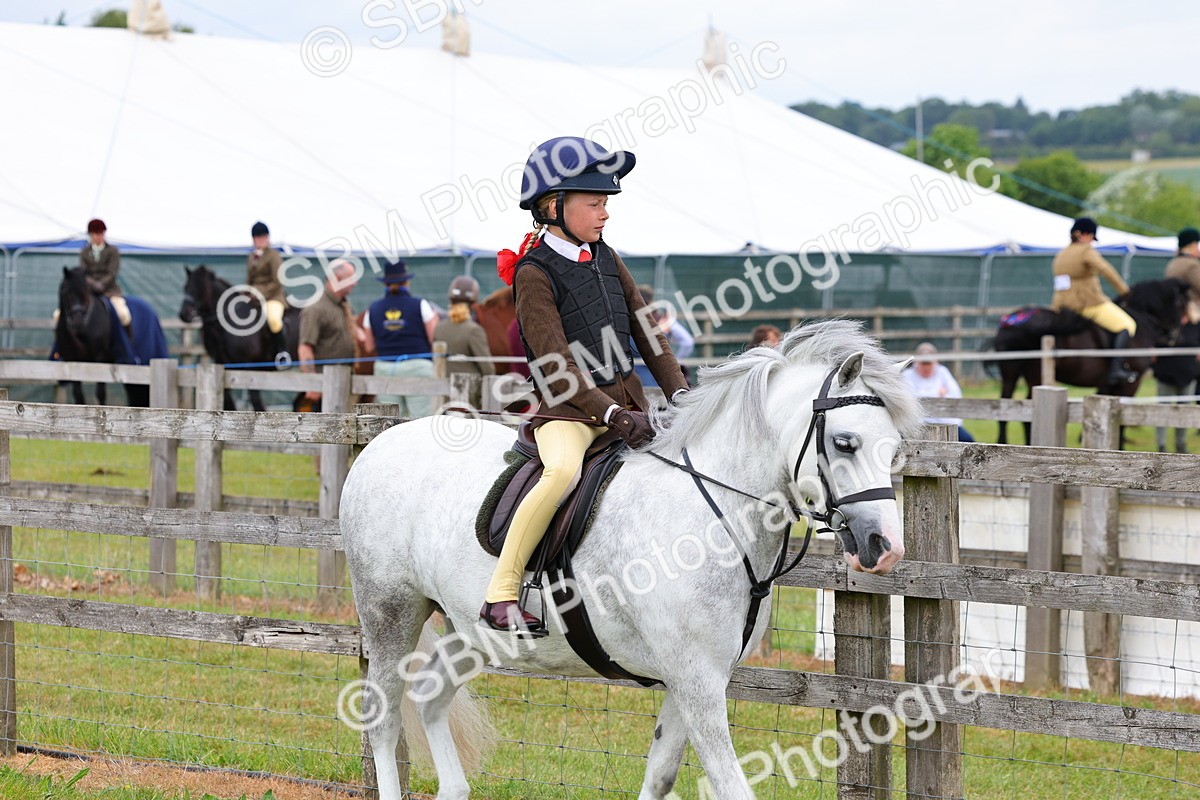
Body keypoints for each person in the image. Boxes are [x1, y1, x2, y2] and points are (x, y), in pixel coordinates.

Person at [480, 136, 690, 635]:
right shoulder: (533, 273)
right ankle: (501, 593)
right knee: (561, 475)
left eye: (605, 203)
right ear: (554, 206)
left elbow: (648, 332)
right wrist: (611, 414)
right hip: (568, 413)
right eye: (594, 203)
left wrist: (681, 394)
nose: (605, 213)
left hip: (629, 407)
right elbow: (557, 366)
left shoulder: (606, 255)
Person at [1050, 217, 1137, 385]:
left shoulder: (1060, 254)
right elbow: (1107, 270)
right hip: (1088, 304)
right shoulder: (1086, 251)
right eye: (1091, 237)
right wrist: (1124, 292)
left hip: (1062, 305)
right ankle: (1116, 369)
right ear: (1081, 234)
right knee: (1127, 325)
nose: (1091, 242)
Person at [361, 260, 439, 417]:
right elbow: (434, 339)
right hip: (417, 366)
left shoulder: (372, 309)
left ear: (385, 283)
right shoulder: (421, 305)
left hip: (385, 368)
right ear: (406, 281)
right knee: (421, 419)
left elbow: (369, 346)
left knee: (389, 420)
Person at [298, 261, 362, 410]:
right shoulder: (315, 310)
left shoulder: (345, 306)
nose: (355, 284)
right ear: (338, 279)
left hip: (344, 382)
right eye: (351, 279)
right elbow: (305, 348)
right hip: (323, 388)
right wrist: (313, 384)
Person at [433, 275, 495, 409]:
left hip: (445, 393)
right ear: (473, 304)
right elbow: (487, 368)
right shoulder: (474, 330)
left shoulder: (439, 328)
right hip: (470, 395)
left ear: (450, 300)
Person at [903, 342, 974, 443]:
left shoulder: (943, 372)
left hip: (946, 422)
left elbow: (955, 395)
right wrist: (938, 393)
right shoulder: (907, 375)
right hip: (918, 425)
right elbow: (908, 398)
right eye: (923, 363)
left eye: (929, 363)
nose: (926, 367)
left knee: (968, 440)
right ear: (917, 362)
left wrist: (926, 395)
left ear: (935, 362)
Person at [632, 284, 694, 389]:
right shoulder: (663, 320)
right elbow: (687, 342)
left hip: (635, 377)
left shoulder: (628, 321)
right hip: (661, 374)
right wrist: (674, 361)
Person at [1152, 321, 1199, 453]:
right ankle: (1161, 445)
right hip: (1166, 376)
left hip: (1188, 376)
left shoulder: (1195, 326)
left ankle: (1181, 444)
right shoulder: (1164, 325)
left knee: (1184, 412)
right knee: (1162, 410)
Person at [247, 221, 288, 361]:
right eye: (258, 238)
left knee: (274, 320)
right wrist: (246, 292)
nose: (261, 240)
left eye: (263, 237)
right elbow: (249, 279)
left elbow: (278, 281)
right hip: (253, 296)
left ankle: (282, 352)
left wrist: (260, 294)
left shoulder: (273, 255)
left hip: (273, 297)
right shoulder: (251, 257)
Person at [79, 218, 131, 329]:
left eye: (101, 233)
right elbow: (83, 272)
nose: (99, 236)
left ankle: (128, 338)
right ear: (91, 235)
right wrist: (93, 284)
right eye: (96, 234)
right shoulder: (84, 252)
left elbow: (112, 273)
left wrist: (101, 284)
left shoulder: (113, 251)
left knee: (123, 314)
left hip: (110, 291)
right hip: (89, 291)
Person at [1165, 227, 1200, 324]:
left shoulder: (1173, 263)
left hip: (1176, 312)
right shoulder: (1191, 265)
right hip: (1192, 315)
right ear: (1192, 245)